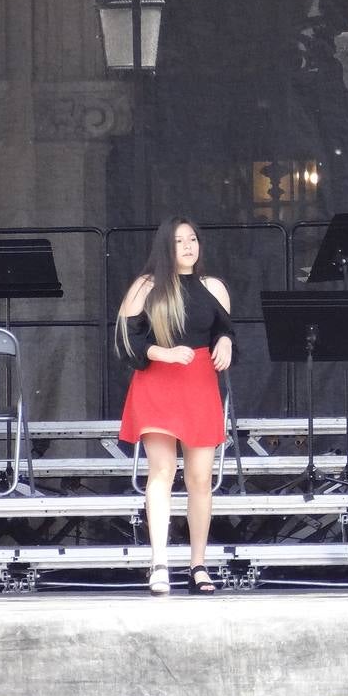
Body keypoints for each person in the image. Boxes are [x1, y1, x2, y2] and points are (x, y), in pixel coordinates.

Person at [116, 217, 235, 595]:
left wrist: (227, 342)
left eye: (193, 239)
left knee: (200, 478)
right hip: (158, 382)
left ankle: (198, 564)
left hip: (199, 381)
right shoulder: (146, 286)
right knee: (162, 470)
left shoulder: (212, 286)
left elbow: (224, 328)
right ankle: (159, 562)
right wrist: (161, 352)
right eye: (179, 240)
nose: (187, 246)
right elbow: (125, 340)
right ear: (165, 247)